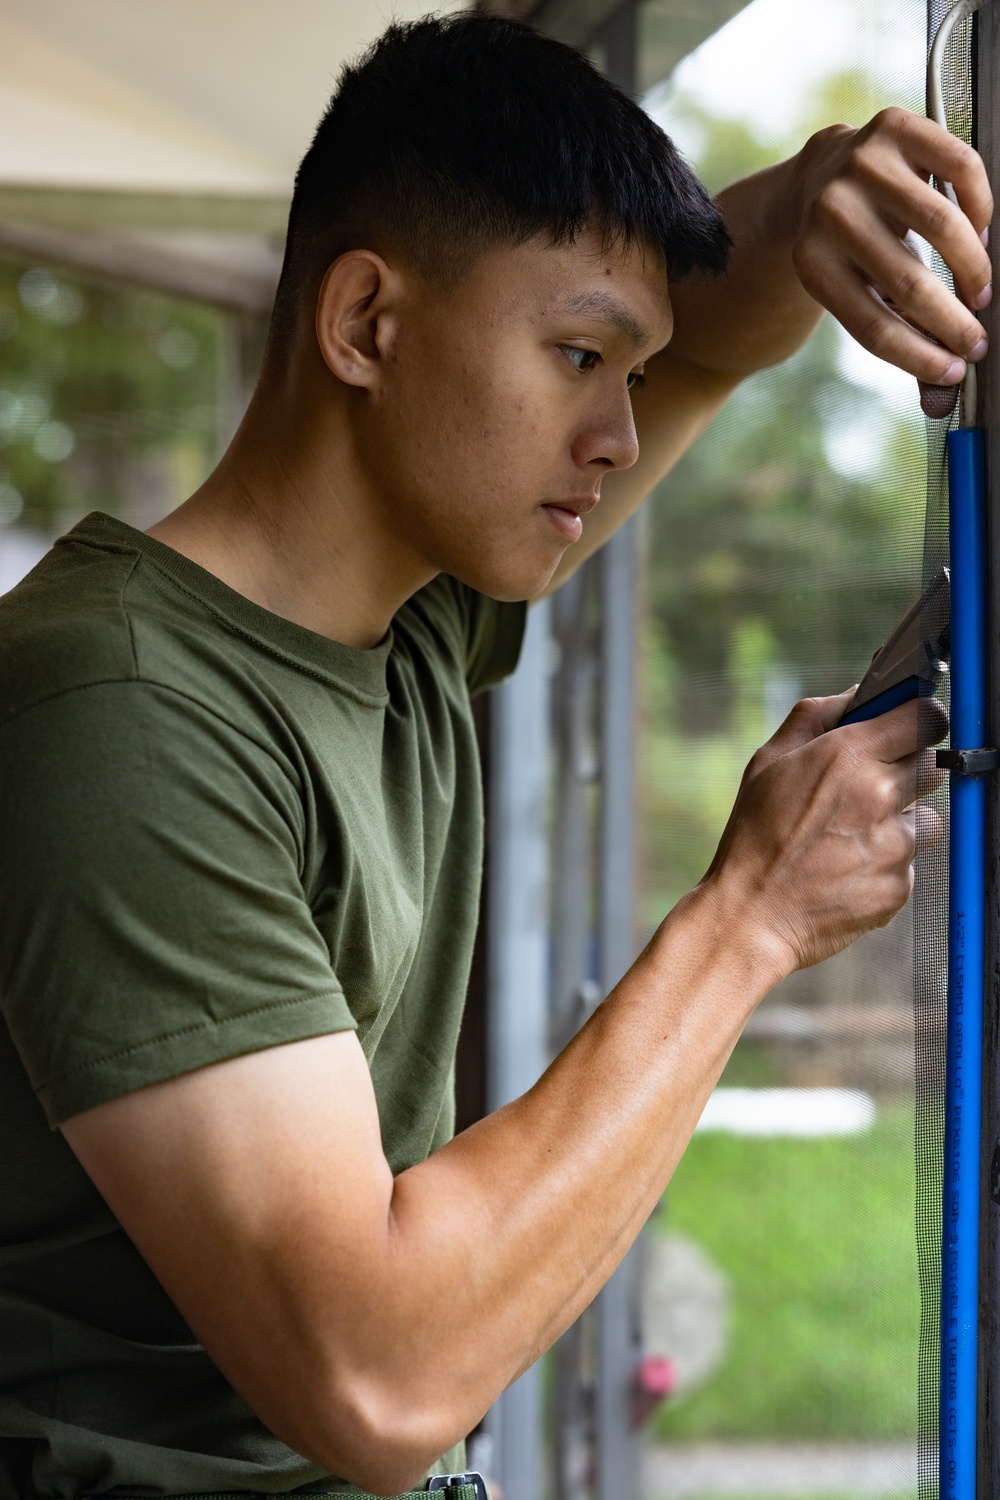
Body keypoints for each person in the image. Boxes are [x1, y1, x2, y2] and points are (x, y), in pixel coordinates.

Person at [0, 13, 988, 1500]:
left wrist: (806, 201)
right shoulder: (120, 709)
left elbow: (710, 322)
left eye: (632, 378)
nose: (616, 432)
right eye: (582, 356)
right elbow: (379, 1374)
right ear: (366, 326)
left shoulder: (403, 613)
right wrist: (748, 920)